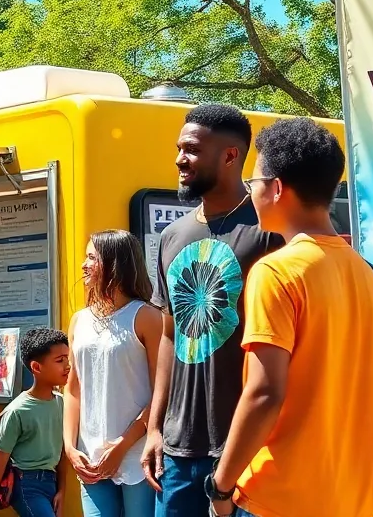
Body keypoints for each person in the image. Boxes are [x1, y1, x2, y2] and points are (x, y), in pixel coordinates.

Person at [207, 118, 373, 517]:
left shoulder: (276, 272)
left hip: (279, 498)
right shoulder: (367, 273)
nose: (250, 194)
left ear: (276, 188)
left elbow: (264, 393)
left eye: (253, 183)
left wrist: (220, 486)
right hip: (355, 499)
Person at [142, 104, 281, 517]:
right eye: (179, 148)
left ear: (229, 156)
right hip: (178, 451)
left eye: (191, 150)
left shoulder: (269, 230)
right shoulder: (172, 237)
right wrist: (154, 429)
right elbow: (169, 335)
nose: (179, 159)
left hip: (250, 446)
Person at [66, 231, 159, 517]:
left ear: (115, 264)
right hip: (90, 458)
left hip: (138, 456)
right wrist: (69, 446)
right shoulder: (79, 321)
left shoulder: (146, 316)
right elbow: (72, 389)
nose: (83, 265)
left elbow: (162, 392)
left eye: (92, 257)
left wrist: (123, 445)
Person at [0, 328, 70, 517]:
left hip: (51, 482)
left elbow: (62, 453)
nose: (67, 366)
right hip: (26, 485)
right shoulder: (17, 410)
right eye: (59, 360)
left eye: (67, 359)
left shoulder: (61, 402)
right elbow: (0, 459)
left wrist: (62, 491)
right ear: (36, 368)